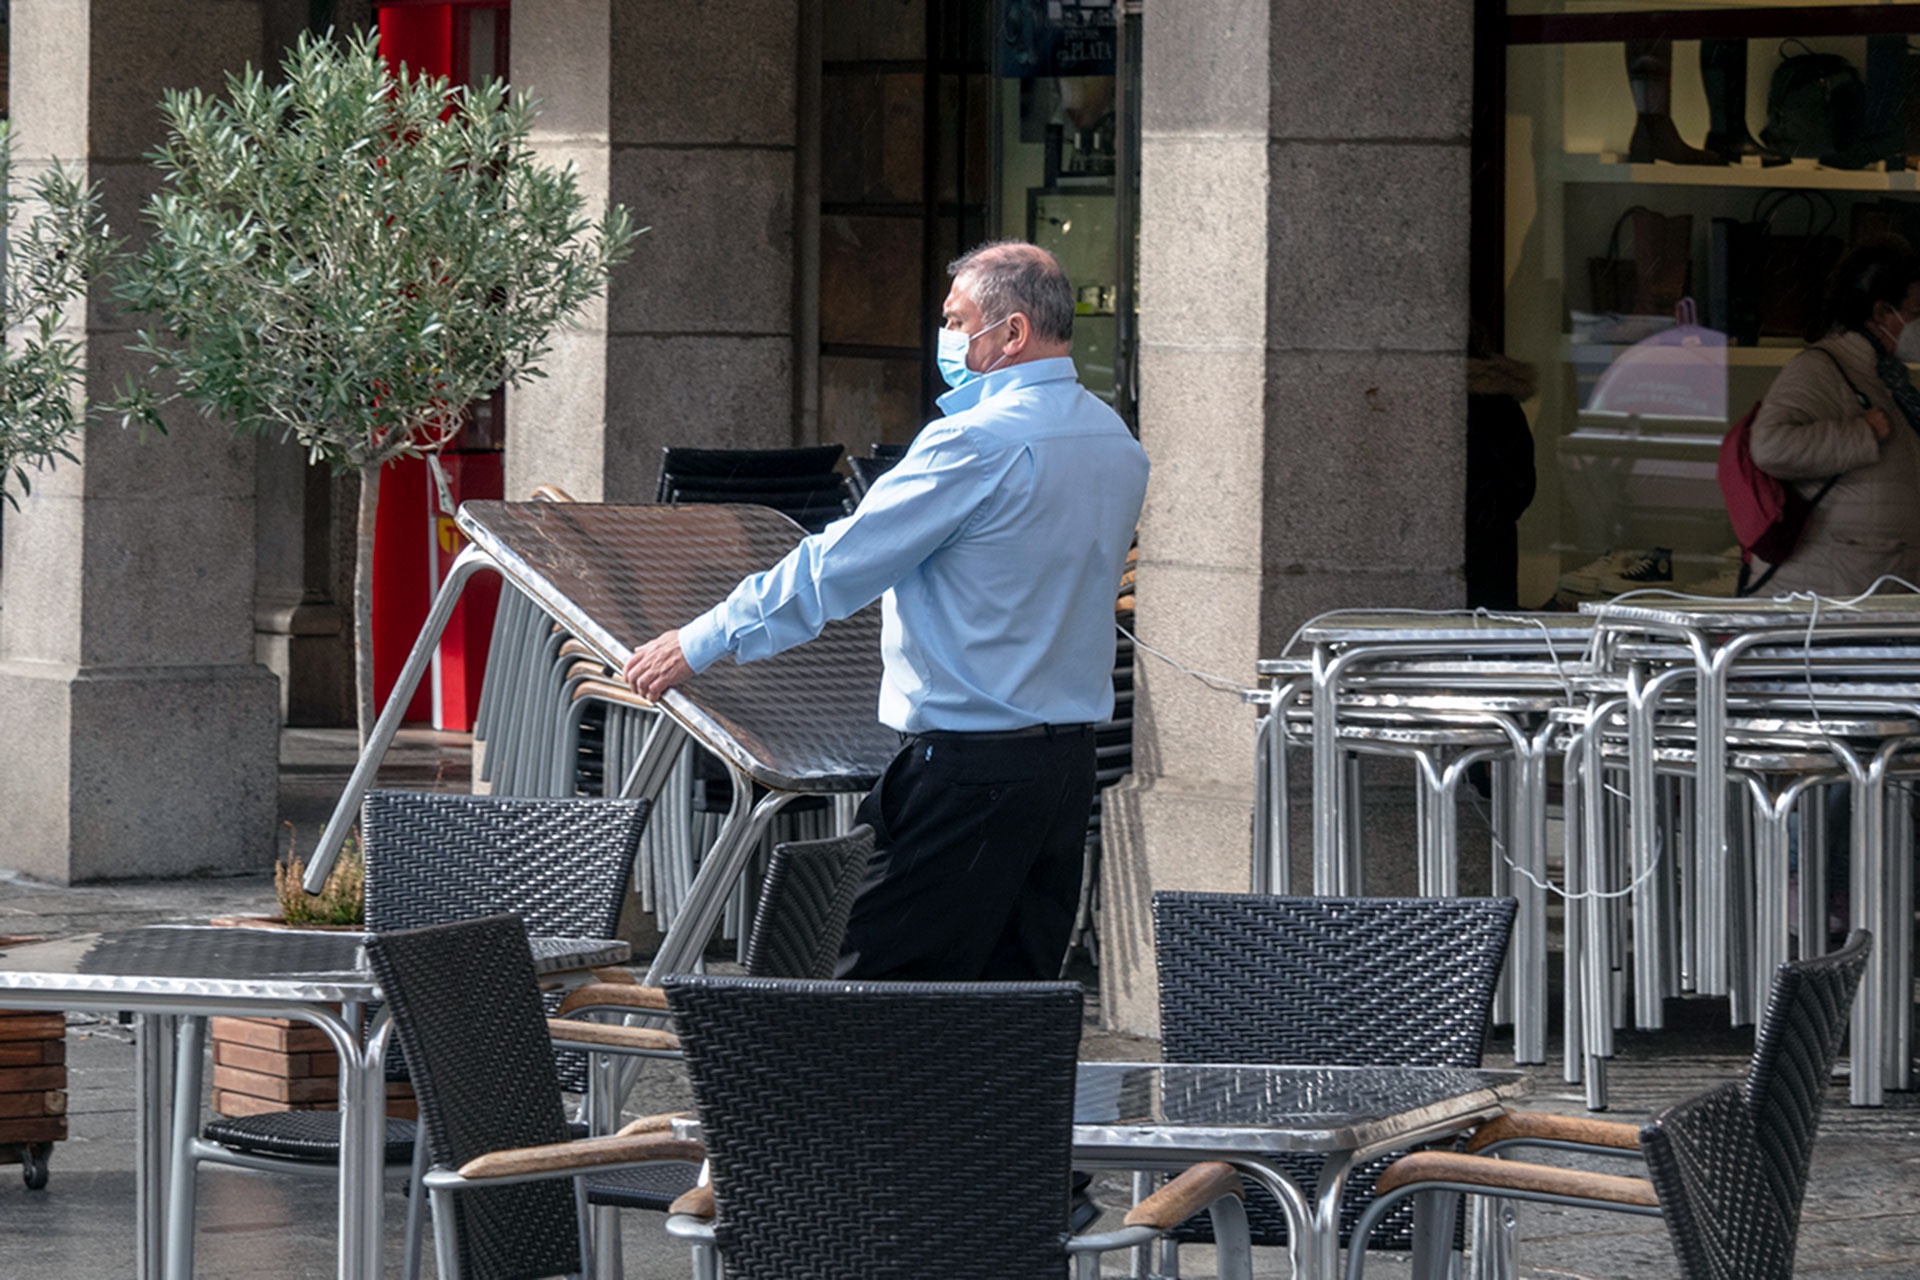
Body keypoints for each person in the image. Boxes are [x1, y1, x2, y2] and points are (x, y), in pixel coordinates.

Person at [622, 240, 1149, 981]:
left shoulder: (975, 442)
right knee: (1011, 1013)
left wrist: (700, 640)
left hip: (964, 767)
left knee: (864, 995)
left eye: (956, 320)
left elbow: (837, 565)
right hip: (1064, 769)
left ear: (1015, 333)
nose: (946, 337)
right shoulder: (1114, 438)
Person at [1748, 238, 1920, 596]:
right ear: (1880, 312)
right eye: (1915, 312)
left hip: (1872, 584)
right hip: (1832, 595)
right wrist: (1861, 434)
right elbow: (1769, 445)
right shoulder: (1821, 368)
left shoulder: (1888, 376)